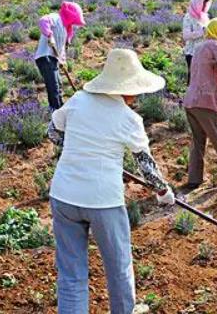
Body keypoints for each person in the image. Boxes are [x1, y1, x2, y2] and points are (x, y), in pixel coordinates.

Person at [47, 48, 176, 314]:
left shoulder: (78, 99)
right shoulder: (129, 119)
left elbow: (54, 133)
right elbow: (146, 166)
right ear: (128, 89)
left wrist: (78, 145)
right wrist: (163, 192)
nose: (137, 97)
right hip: (103, 201)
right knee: (118, 265)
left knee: (71, 272)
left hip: (64, 195)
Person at [183, 18, 217, 190]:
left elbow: (202, 75)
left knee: (198, 141)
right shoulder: (216, 45)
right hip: (206, 103)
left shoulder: (199, 47)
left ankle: (194, 179)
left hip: (191, 101)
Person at [36, 1, 86, 111]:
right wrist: (49, 34)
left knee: (58, 85)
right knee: (53, 86)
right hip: (45, 57)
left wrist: (62, 61)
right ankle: (56, 111)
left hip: (53, 59)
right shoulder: (55, 18)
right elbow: (43, 21)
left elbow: (61, 48)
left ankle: (60, 108)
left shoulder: (65, 28)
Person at [183, 0, 212, 85]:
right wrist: (201, 32)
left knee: (203, 79)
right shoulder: (188, 17)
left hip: (204, 51)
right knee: (193, 78)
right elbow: (186, 36)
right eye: (202, 3)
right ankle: (189, 98)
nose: (204, 5)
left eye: (205, 3)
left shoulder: (205, 16)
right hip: (192, 53)